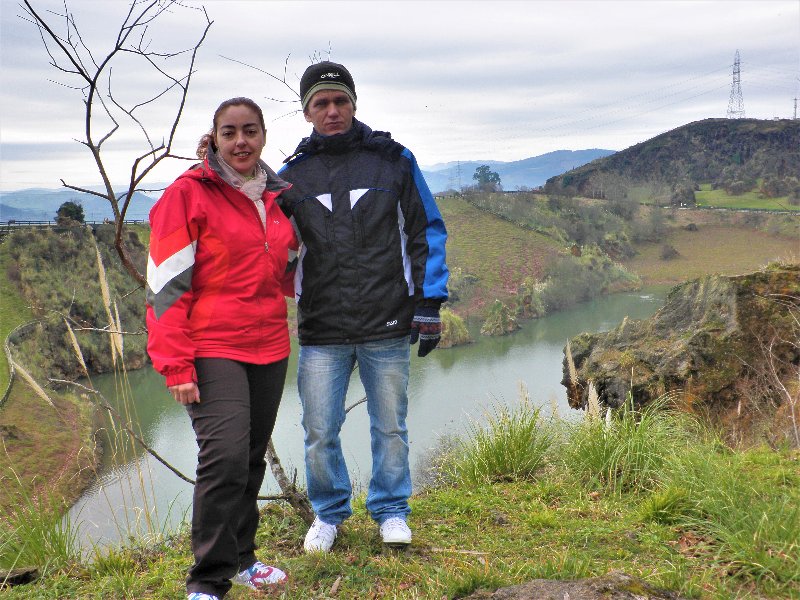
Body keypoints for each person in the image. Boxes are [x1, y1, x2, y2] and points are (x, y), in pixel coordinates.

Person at [278, 61, 449, 553]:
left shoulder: (394, 161)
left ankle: (391, 511)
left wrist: (429, 303)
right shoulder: (291, 178)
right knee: (318, 430)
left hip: (387, 320)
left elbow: (426, 231)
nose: (332, 111)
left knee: (390, 425)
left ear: (354, 103)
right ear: (307, 111)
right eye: (321, 104)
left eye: (340, 101)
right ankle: (328, 515)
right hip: (322, 327)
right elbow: (266, 238)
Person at [145, 97, 297, 600]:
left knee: (250, 457)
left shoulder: (276, 197)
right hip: (211, 346)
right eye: (229, 132)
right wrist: (175, 365)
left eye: (249, 131)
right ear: (214, 138)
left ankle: (245, 558)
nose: (240, 142)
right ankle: (208, 580)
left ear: (263, 137)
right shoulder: (188, 195)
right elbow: (166, 288)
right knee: (225, 457)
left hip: (270, 344)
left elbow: (288, 270)